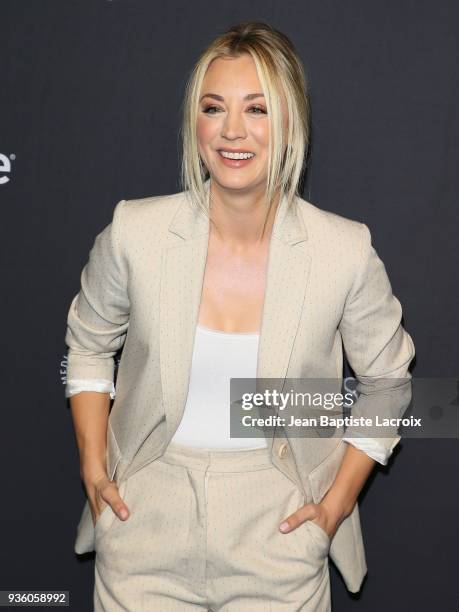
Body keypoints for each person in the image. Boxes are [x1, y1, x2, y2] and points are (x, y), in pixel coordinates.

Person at [65, 21, 415, 611]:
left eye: (257, 109)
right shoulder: (136, 232)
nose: (233, 131)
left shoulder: (343, 249)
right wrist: (95, 471)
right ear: (193, 123)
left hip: (277, 529)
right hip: (146, 521)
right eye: (213, 107)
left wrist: (333, 507)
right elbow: (89, 345)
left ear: (289, 122)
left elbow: (388, 384)